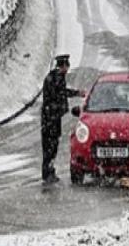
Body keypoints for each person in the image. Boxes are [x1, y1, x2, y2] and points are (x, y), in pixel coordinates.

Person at [41, 54, 84, 184]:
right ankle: (47, 172)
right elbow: (60, 93)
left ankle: (49, 171)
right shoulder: (55, 79)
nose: (67, 70)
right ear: (63, 66)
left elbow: (61, 92)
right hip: (51, 118)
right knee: (50, 146)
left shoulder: (55, 77)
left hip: (51, 117)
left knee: (51, 146)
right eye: (67, 66)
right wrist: (76, 93)